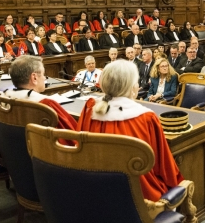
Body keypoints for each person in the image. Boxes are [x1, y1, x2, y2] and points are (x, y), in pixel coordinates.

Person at [76, 60, 184, 201]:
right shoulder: (146, 117)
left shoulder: (89, 108)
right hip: (138, 194)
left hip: (95, 188)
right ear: (132, 87)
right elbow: (163, 165)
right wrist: (178, 184)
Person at [3, 56, 79, 131]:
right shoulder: (45, 104)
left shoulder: (3, 98)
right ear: (34, 78)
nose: (45, 78)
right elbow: (73, 131)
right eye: (43, 74)